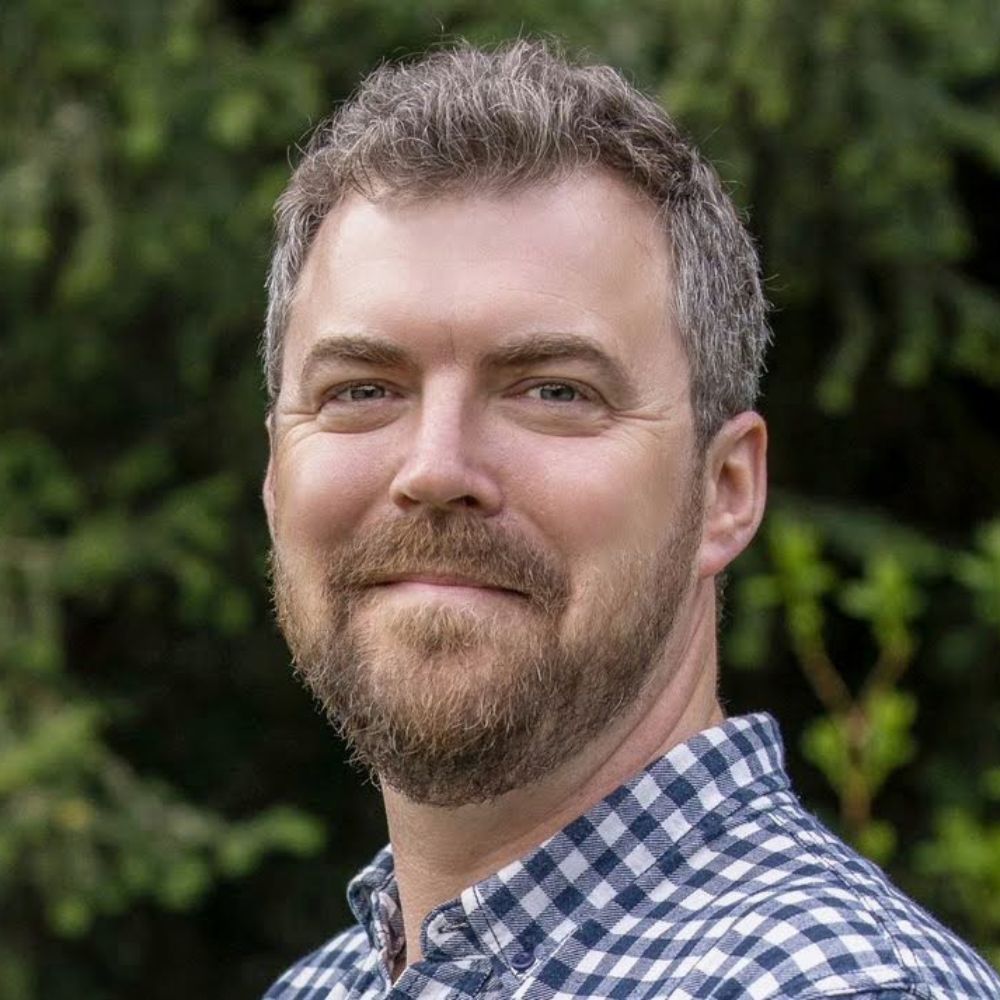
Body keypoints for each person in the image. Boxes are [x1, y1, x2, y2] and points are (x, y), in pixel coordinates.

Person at [260, 40, 999, 1000]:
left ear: (725, 489)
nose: (435, 467)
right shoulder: (322, 989)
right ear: (274, 472)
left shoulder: (834, 985)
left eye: (554, 391)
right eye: (362, 388)